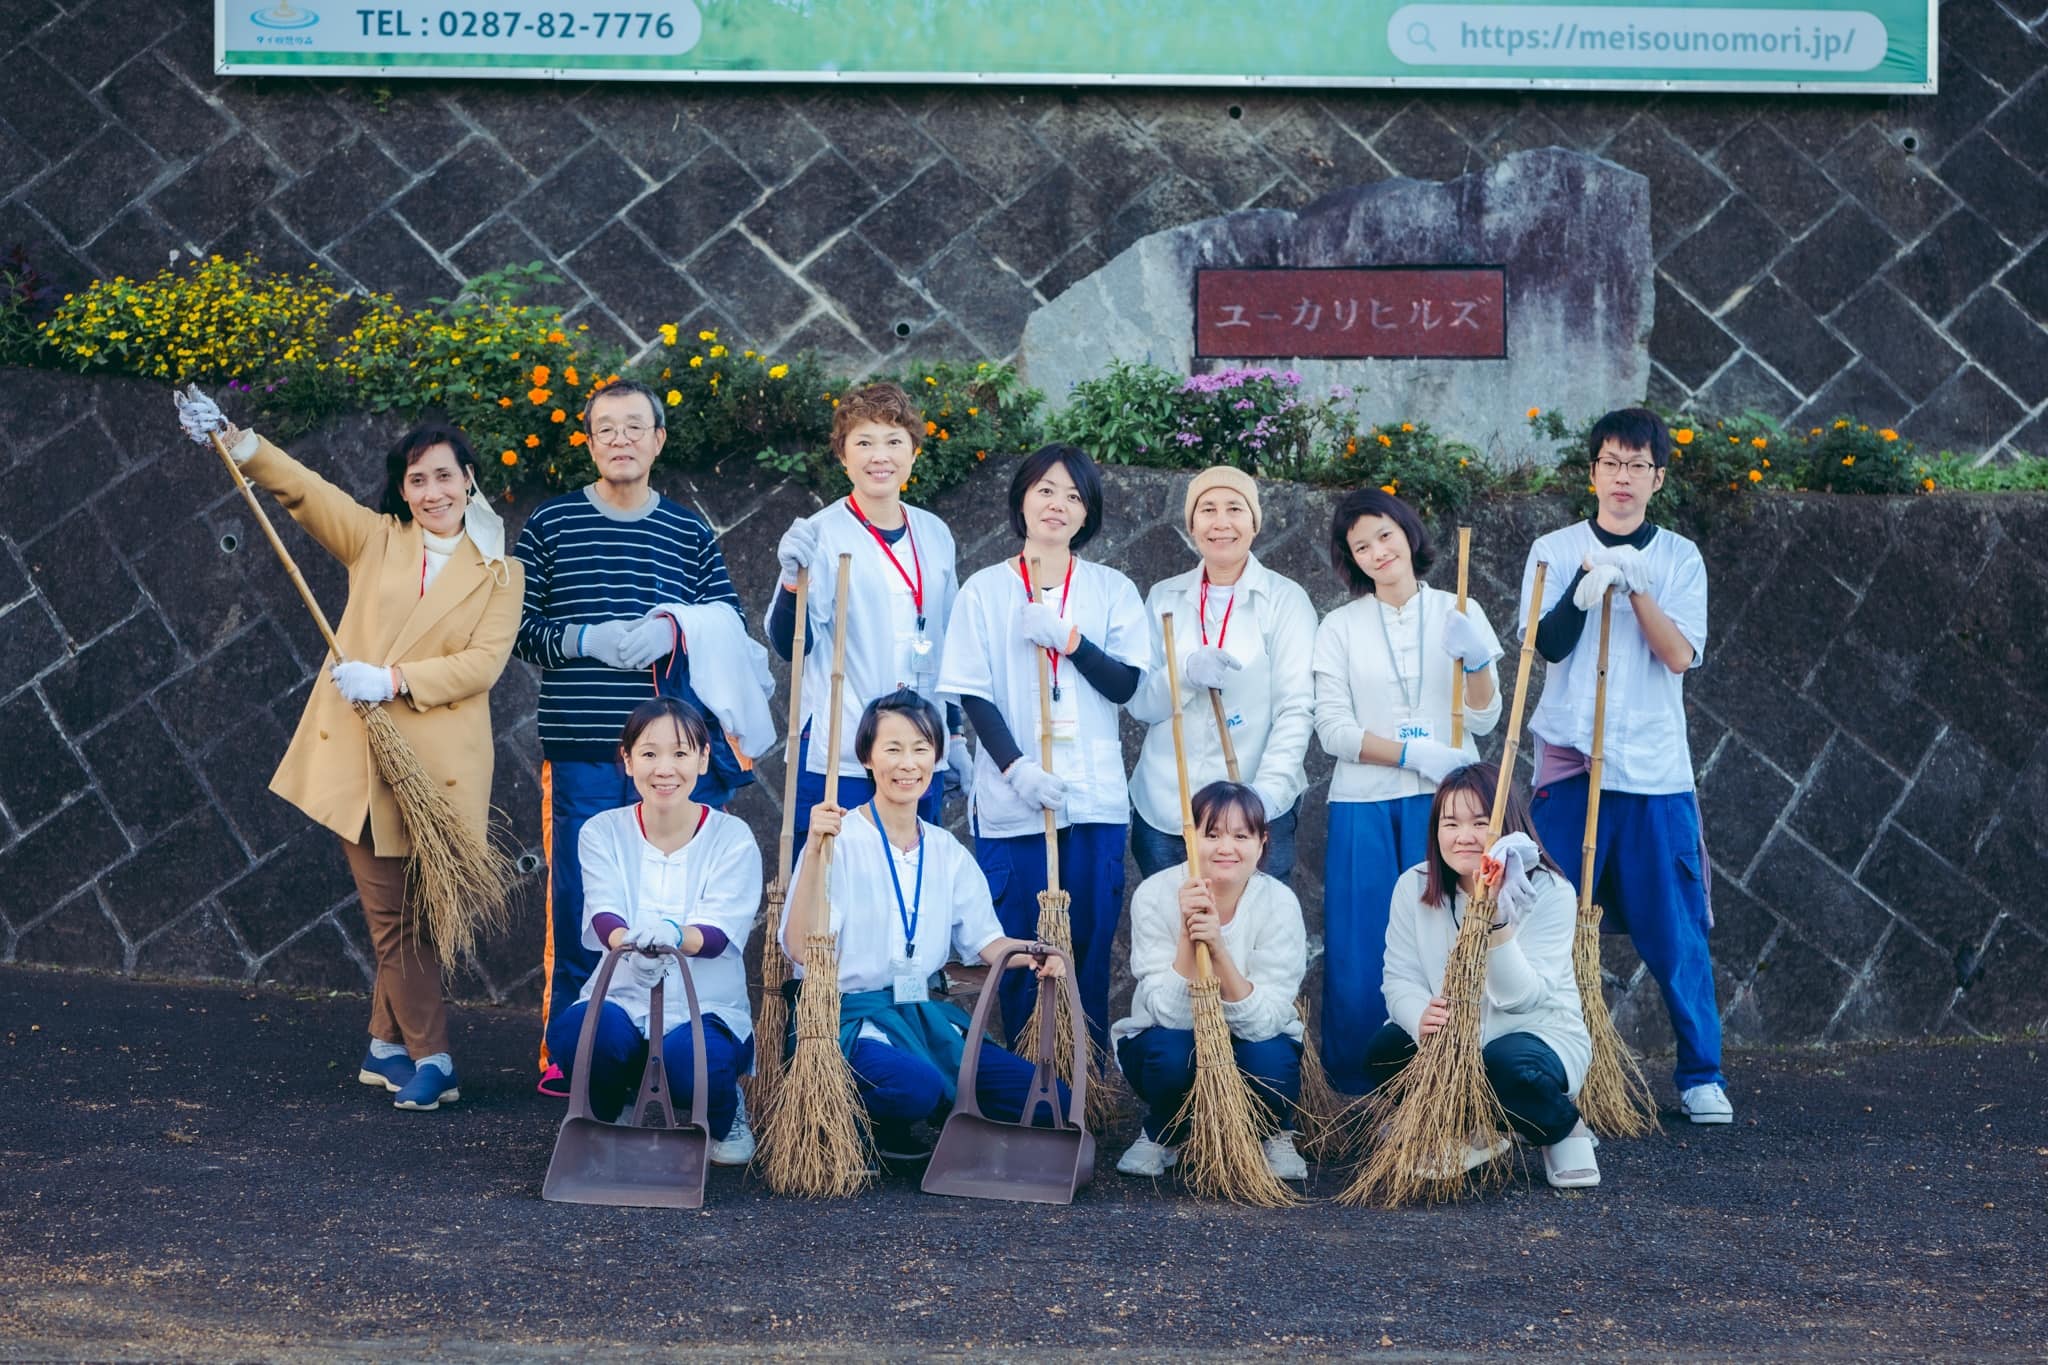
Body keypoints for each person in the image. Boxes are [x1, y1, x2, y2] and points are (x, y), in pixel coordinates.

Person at [173, 389, 522, 1113]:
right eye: (417, 478)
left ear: (469, 481)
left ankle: (383, 1045)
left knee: (420, 915)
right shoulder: (376, 538)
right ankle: (434, 1058)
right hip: (368, 764)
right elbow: (304, 491)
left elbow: (483, 665)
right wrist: (236, 443)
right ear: (403, 488)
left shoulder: (501, 571)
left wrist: (391, 678)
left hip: (444, 770)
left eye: (445, 475)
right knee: (396, 919)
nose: (433, 491)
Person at [512, 378, 764, 1099]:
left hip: (668, 757)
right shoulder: (552, 525)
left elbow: (730, 622)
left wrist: (674, 629)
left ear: (658, 438)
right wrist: (588, 637)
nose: (620, 438)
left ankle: (683, 1036)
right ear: (588, 441)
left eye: (635, 426)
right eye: (605, 428)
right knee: (580, 903)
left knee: (678, 898)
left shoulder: (687, 530)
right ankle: (573, 1051)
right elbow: (520, 629)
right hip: (582, 741)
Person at [1519, 407, 1727, 1124]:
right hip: (1572, 762)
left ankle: (1701, 1072)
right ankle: (1549, 1064)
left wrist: (1635, 586)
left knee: (1675, 929)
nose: (1623, 477)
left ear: (1657, 478)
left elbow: (1678, 655)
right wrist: (1584, 586)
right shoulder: (1552, 548)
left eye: (1638, 466)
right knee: (1547, 915)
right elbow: (1542, 646)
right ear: (1592, 472)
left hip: (1654, 768)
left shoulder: (1679, 557)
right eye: (1611, 462)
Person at [782, 690, 1069, 1158]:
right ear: (867, 757)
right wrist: (813, 851)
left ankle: (923, 1116)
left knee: (1047, 1099)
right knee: (914, 1087)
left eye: (920, 749)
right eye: (892, 749)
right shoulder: (837, 842)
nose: (907, 763)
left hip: (921, 1014)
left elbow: (988, 943)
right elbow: (798, 947)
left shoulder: (946, 850)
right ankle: (860, 1123)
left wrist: (1038, 953)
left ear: (937, 757)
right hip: (849, 1019)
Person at [936, 443, 1154, 1052]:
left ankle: (1082, 1086)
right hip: (1015, 804)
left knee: (1086, 945)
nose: (1058, 505)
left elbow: (1125, 683)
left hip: (1093, 804)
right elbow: (974, 695)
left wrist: (1070, 641)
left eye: (1074, 496)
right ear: (1021, 499)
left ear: (1088, 514)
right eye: (1046, 490)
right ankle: (1025, 1083)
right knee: (1018, 950)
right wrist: (1018, 767)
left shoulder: (1112, 590)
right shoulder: (984, 590)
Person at [1311, 489, 1504, 1093]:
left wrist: (1475, 664)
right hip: (1363, 802)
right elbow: (1332, 729)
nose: (1377, 551)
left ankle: (1452, 1083)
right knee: (1360, 944)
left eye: (1384, 535)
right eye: (1360, 545)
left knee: (1450, 933)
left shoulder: (1459, 607)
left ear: (1408, 533)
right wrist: (1411, 752)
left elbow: (1486, 717)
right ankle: (1359, 1088)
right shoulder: (1339, 625)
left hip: (1449, 804)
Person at [543, 697, 761, 1163]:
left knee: (691, 1060)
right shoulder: (602, 831)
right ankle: (611, 1106)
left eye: (681, 754)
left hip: (706, 1006)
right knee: (581, 1035)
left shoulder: (732, 837)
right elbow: (604, 914)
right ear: (627, 760)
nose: (665, 768)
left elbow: (719, 932)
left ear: (704, 759)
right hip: (622, 994)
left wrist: (673, 934)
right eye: (649, 753)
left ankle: (724, 1114)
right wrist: (629, 941)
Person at [1365, 762, 1599, 1188]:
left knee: (1506, 1067)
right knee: (1384, 1050)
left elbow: (1520, 998)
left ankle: (1564, 1128)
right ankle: (1464, 1127)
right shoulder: (1412, 886)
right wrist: (1420, 1016)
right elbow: (1398, 977)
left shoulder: (1549, 892)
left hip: (1533, 1036)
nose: (1464, 836)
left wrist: (1495, 918)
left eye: (1479, 822)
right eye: (1450, 823)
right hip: (1451, 1040)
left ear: (1506, 826)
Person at [765, 382, 961, 839]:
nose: (881, 456)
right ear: (842, 455)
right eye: (864, 442)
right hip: (842, 746)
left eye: (894, 442)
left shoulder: (935, 534)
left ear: (914, 453)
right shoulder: (820, 533)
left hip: (919, 751)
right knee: (831, 884)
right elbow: (790, 643)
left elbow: (949, 640)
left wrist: (957, 734)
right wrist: (793, 580)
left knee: (911, 881)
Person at [1127, 467, 1317, 884]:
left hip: (1253, 813)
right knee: (1171, 936)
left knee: (1250, 941)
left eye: (1235, 508)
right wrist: (1184, 675)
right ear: (1192, 524)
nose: (1221, 522)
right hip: (1166, 807)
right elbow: (1141, 703)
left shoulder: (1285, 601)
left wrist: (1262, 800)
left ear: (1254, 522)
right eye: (1207, 509)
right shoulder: (1165, 596)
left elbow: (1296, 708)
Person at [1112, 781, 1309, 1182]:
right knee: (1169, 1057)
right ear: (1190, 837)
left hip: (1252, 1038)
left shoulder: (1280, 902)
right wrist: (1190, 933)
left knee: (1270, 1060)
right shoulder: (1154, 894)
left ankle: (1272, 1129)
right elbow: (1166, 1014)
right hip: (1173, 1035)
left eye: (1241, 836)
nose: (1226, 848)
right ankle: (1165, 1131)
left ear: (1262, 841)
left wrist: (1218, 949)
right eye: (1212, 834)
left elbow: (1266, 1022)